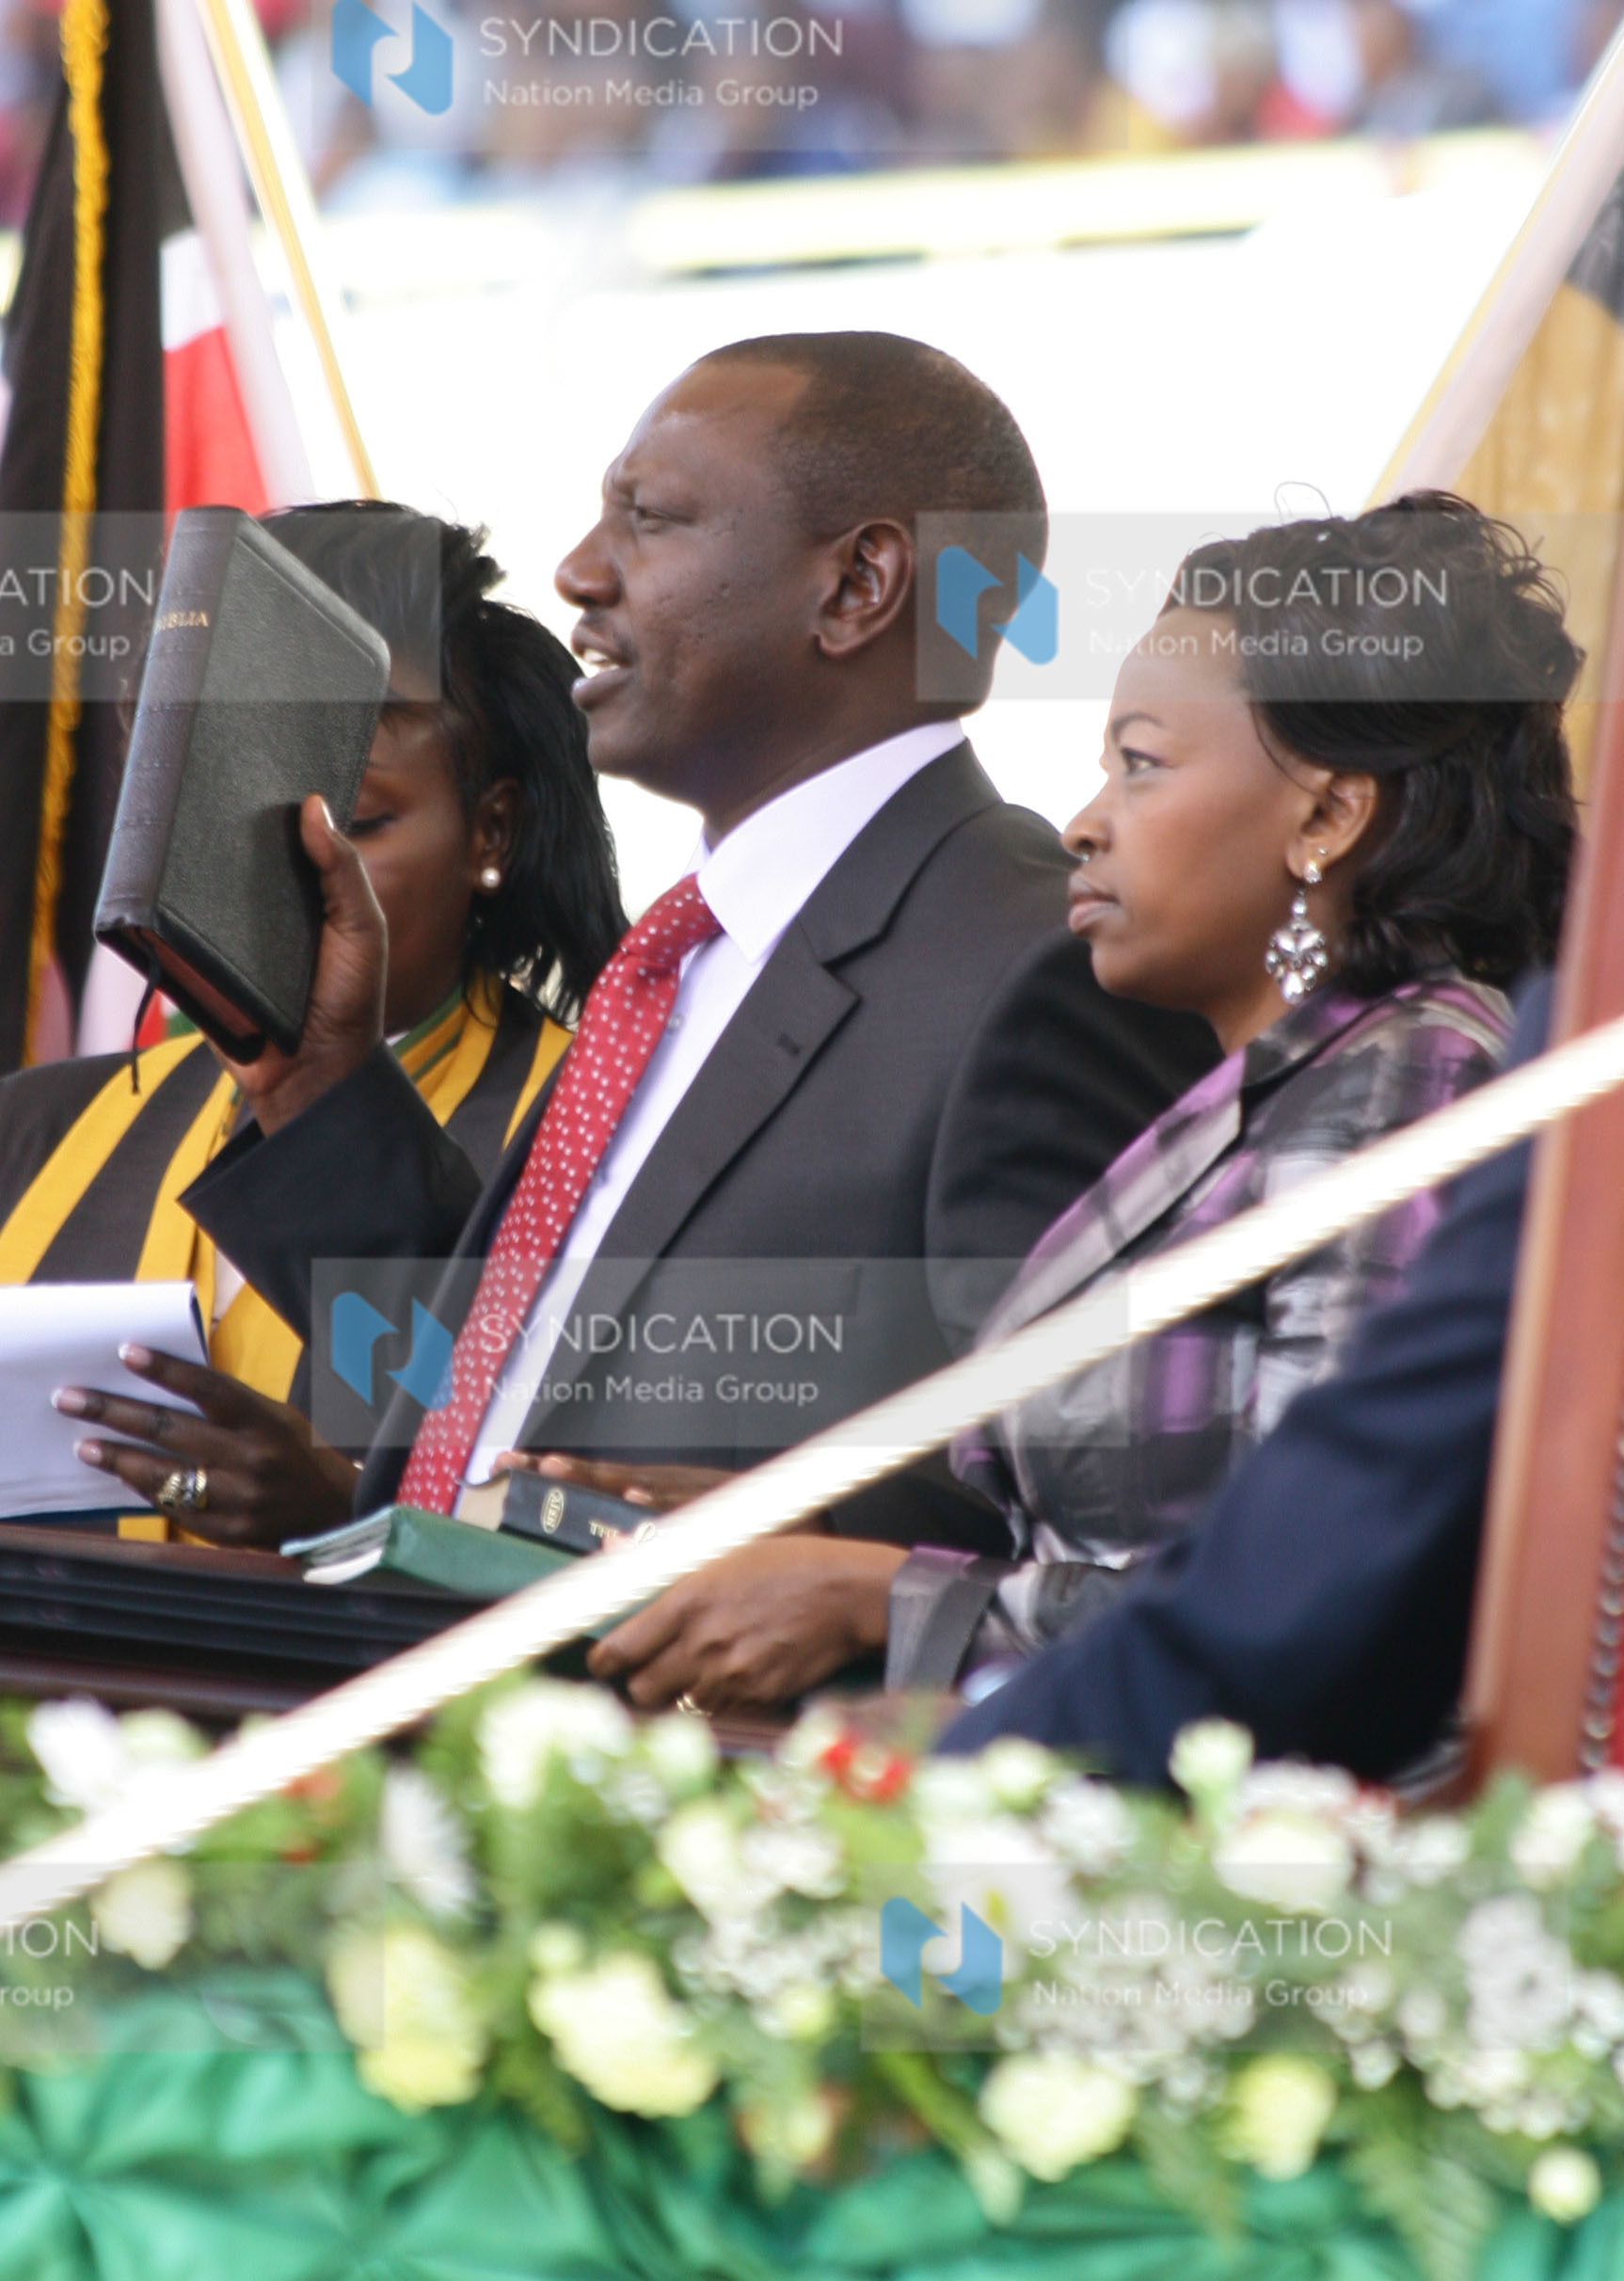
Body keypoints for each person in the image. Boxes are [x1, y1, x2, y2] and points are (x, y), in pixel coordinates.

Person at [63, 331, 1217, 1551]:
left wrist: (787, 1553)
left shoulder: (1042, 971)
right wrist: (321, 1086)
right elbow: (504, 1389)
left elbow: (1113, 1526)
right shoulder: (680, 958)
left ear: (857, 587)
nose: (575, 572)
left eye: (647, 517)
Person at [566, 494, 1576, 1714]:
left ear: (1324, 814)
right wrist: (801, 1535)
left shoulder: (1407, 1088)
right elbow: (1110, 1552)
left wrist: (870, 1594)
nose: (1083, 823)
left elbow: (1327, 1594)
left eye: (1140, 767)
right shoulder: (1270, 1088)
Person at [31, 502, 625, 1539]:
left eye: (353, 824)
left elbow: (613, 1517)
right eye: (219, 817)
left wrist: (357, 1513)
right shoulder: (35, 1132)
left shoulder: (606, 1133)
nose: (292, 868)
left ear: (492, 828)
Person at [939, 972, 1552, 1782]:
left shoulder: (1401, 1070)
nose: (1083, 835)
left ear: (1324, 834)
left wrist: (927, 1655)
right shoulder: (1269, 1078)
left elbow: (1334, 1556)